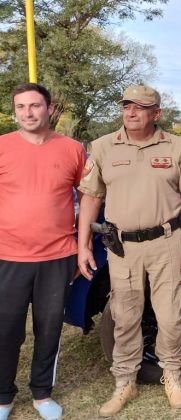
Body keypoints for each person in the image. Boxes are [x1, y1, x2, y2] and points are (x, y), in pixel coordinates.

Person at [77, 85, 181, 416]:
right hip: (123, 248)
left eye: (139, 107)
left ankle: (172, 376)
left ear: (156, 113)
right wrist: (83, 246)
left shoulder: (176, 146)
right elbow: (91, 198)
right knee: (125, 316)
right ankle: (125, 382)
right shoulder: (103, 147)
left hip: (167, 244)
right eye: (126, 106)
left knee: (171, 315)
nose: (130, 112)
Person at [0, 83, 85, 420]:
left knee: (49, 327)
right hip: (9, 257)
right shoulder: (2, 147)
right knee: (6, 329)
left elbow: (90, 196)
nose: (28, 113)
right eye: (21, 107)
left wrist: (81, 247)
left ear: (50, 108)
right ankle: (4, 396)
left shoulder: (73, 149)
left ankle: (42, 394)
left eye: (34, 106)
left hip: (57, 256)